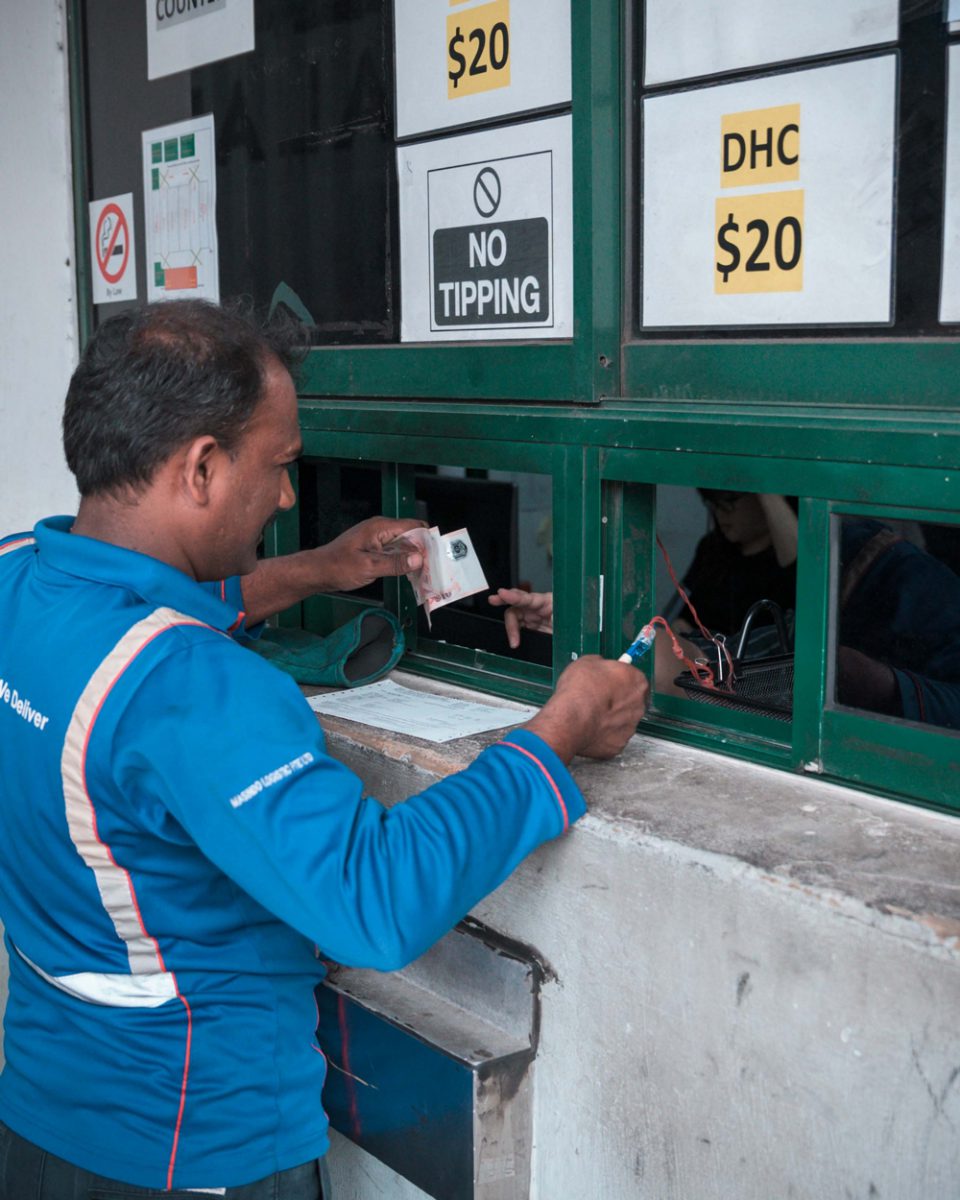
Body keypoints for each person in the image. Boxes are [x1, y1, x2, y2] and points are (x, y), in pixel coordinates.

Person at [0, 300, 648, 1199]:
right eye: (280, 466)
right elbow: (371, 900)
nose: (288, 498)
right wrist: (557, 734)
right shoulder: (192, 687)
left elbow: (132, 611)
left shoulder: (16, 578)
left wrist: (316, 570)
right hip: (193, 1151)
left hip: (39, 1124)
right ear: (200, 467)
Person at [489, 490, 797, 693]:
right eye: (713, 505)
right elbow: (674, 632)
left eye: (729, 503)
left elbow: (715, 665)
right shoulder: (714, 552)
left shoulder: (795, 603)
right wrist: (585, 624)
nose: (721, 514)